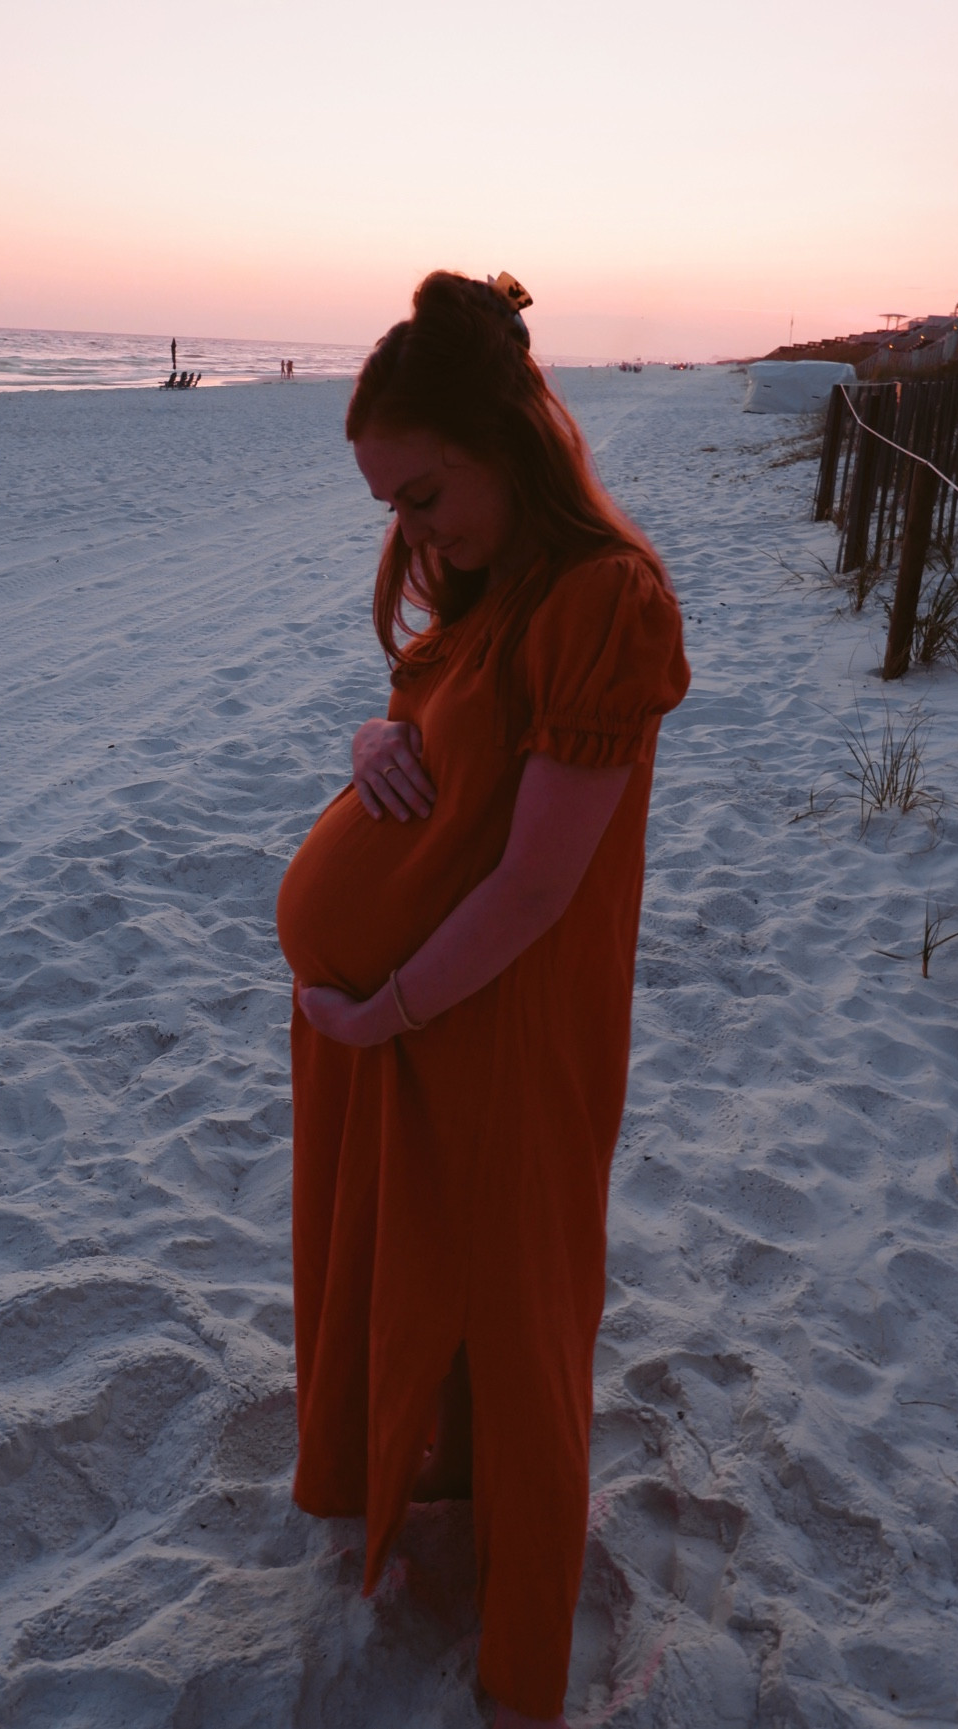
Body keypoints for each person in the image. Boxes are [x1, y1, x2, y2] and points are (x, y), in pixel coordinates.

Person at [275, 270, 689, 1728]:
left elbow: (531, 888)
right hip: (405, 1018)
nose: (409, 528)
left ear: (511, 441)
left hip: (494, 1025)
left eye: (423, 492)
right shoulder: (493, 586)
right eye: (389, 503)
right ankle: (422, 1479)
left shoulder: (603, 601)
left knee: (514, 1303)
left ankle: (521, 1645)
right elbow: (433, 707)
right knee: (405, 1257)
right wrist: (368, 735)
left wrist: (380, 1006)